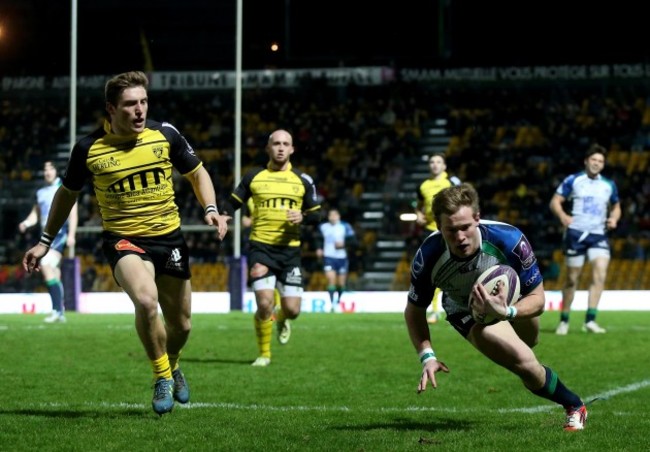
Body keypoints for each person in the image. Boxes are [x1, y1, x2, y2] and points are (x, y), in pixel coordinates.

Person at [22, 71, 230, 416]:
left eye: (144, 102)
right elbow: (66, 195)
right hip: (124, 240)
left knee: (182, 326)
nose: (139, 111)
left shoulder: (165, 134)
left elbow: (197, 172)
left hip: (169, 238)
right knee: (147, 302)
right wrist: (45, 241)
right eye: (130, 104)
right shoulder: (89, 149)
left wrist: (211, 209)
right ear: (111, 109)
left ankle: (173, 365)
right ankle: (161, 375)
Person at [405, 183, 588, 431]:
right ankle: (574, 405)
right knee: (525, 362)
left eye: (465, 227)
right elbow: (414, 311)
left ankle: (518, 339)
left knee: (530, 341)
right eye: (451, 230)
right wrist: (427, 356)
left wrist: (508, 312)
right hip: (467, 311)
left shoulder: (509, 240)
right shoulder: (428, 256)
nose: (460, 237)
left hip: (511, 301)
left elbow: (538, 299)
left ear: (477, 219)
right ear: (438, 227)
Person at [222, 129, 321, 367]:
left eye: (285, 143)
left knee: (293, 310)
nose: (280, 147)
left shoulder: (303, 180)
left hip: (290, 251)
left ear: (292, 149)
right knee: (264, 303)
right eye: (276, 143)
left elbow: (318, 215)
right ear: (268, 148)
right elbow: (234, 201)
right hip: (261, 249)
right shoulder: (254, 176)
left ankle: (282, 319)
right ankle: (264, 354)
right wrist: (222, 215)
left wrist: (303, 216)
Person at [549, 144, 621, 335]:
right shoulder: (574, 180)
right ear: (586, 161)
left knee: (600, 273)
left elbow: (616, 206)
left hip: (598, 235)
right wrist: (563, 216)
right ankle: (564, 320)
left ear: (603, 165)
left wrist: (614, 218)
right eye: (594, 160)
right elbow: (555, 201)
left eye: (601, 161)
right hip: (576, 234)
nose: (597, 163)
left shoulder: (609, 185)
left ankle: (590, 319)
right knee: (572, 279)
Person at [18, 160, 78, 323]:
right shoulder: (41, 192)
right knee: (54, 272)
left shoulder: (64, 188)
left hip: (60, 234)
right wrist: (26, 223)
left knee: (45, 264)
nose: (47, 172)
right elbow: (36, 214)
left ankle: (57, 310)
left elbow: (73, 212)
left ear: (56, 171)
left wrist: (71, 234)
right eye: (45, 169)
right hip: (45, 236)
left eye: (50, 168)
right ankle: (60, 312)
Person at [414, 152, 461, 324]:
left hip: (451, 231)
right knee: (432, 272)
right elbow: (418, 206)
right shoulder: (423, 185)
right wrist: (418, 215)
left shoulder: (452, 182)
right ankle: (434, 311)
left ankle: (461, 306)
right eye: (432, 162)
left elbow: (464, 202)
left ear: (444, 166)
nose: (434, 165)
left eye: (438, 162)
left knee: (454, 269)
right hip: (430, 232)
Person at [315, 208, 356, 312]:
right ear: (328, 217)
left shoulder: (345, 226)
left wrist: (344, 245)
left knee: (341, 284)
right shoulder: (323, 227)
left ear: (339, 216)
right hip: (329, 257)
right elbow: (318, 239)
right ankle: (332, 303)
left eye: (335, 215)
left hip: (342, 257)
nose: (332, 217)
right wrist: (319, 248)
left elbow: (354, 241)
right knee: (331, 280)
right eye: (330, 215)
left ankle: (338, 301)